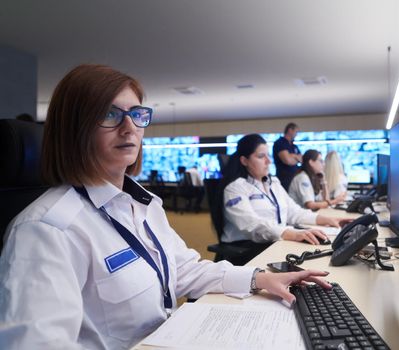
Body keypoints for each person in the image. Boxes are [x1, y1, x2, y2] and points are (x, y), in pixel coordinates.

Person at [0, 64, 331, 350]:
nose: (129, 127)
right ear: (73, 128)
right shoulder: (46, 230)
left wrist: (259, 279)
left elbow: (186, 270)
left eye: (136, 114)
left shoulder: (143, 204)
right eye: (110, 114)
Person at [222, 134, 350, 246]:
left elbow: (294, 212)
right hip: (248, 249)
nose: (269, 161)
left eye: (268, 155)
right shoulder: (235, 189)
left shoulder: (274, 183)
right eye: (261, 156)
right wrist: (291, 233)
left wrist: (327, 220)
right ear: (244, 161)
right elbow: (252, 225)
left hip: (276, 242)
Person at [273, 122, 302, 190]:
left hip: (295, 178)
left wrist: (292, 156)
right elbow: (287, 160)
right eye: (296, 132)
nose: (296, 134)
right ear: (290, 130)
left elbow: (301, 159)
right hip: (284, 180)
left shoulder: (294, 146)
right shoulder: (280, 143)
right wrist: (296, 157)